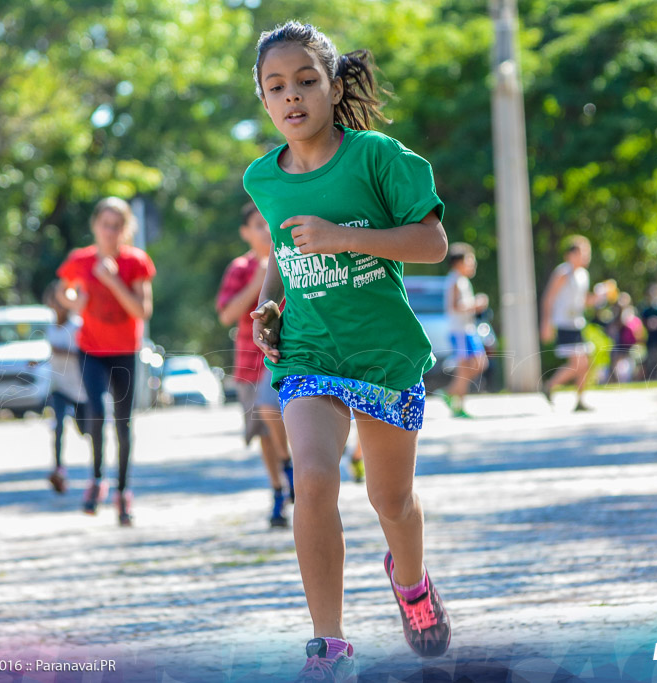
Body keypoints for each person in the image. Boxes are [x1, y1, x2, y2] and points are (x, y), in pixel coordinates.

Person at [243, 21, 451, 679]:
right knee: (312, 474)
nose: (293, 97)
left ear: (333, 88)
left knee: (391, 500)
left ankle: (411, 583)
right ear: (264, 100)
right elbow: (283, 251)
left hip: (382, 355)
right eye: (277, 87)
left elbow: (432, 245)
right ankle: (327, 641)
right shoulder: (263, 179)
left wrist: (343, 236)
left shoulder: (378, 158)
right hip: (308, 355)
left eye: (306, 81)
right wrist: (269, 303)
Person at [56, 196, 155, 526]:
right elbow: (63, 292)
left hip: (125, 351)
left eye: (117, 226)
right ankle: (97, 479)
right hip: (91, 350)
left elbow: (142, 311)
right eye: (105, 225)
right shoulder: (80, 260)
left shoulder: (136, 262)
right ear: (95, 226)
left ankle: (123, 491)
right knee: (96, 411)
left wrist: (112, 280)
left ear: (126, 229)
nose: (111, 232)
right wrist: (74, 300)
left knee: (123, 425)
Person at [216, 201, 295, 528]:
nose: (266, 230)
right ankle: (278, 492)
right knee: (264, 432)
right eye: (258, 225)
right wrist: (258, 282)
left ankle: (291, 468)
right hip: (248, 363)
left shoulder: (293, 258)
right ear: (245, 233)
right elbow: (226, 315)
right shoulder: (240, 268)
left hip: (283, 357)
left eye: (269, 222)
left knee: (270, 410)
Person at [540, 235, 595, 411]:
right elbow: (549, 298)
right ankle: (550, 385)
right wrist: (546, 322)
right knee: (578, 363)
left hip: (577, 322)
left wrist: (600, 297)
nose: (585, 256)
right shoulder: (563, 273)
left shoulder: (583, 275)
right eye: (581, 253)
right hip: (564, 323)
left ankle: (579, 399)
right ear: (570, 255)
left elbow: (585, 301)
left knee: (584, 363)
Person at [43, 282, 88, 495]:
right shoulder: (50, 329)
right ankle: (58, 469)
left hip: (81, 389)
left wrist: (62, 352)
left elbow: (86, 355)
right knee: (58, 426)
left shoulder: (78, 326)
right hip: (59, 387)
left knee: (86, 430)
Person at [440, 242, 489, 418]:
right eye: (469, 260)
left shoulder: (462, 280)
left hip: (468, 329)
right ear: (458, 262)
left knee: (479, 363)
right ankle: (457, 403)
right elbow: (455, 306)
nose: (472, 264)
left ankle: (451, 394)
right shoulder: (454, 279)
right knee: (464, 368)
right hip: (459, 331)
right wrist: (476, 304)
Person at [640, 284, 657, 380]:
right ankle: (649, 374)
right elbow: (643, 321)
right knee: (650, 355)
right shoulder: (646, 308)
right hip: (649, 336)